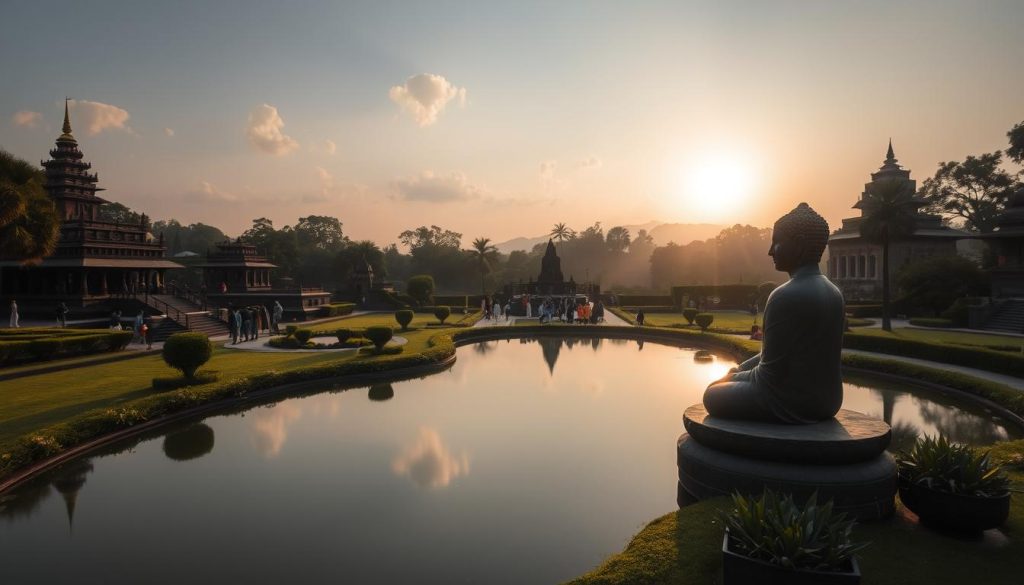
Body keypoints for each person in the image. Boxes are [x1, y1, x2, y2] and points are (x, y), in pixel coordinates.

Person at [702, 203, 844, 424]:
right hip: (828, 402)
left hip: (788, 402)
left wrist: (732, 376)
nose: (770, 251)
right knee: (728, 379)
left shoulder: (785, 295)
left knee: (711, 394)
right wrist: (740, 368)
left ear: (798, 244)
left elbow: (768, 377)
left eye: (777, 242)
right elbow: (777, 356)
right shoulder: (834, 292)